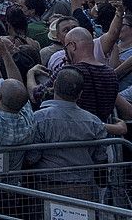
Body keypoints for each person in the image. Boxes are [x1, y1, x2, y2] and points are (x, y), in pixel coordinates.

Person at [26, 66, 125, 203]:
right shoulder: (93, 122)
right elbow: (100, 157)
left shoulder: (39, 118)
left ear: (54, 85)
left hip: (46, 187)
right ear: (80, 94)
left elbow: (32, 157)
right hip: (84, 188)